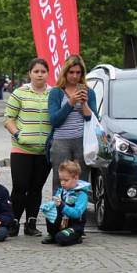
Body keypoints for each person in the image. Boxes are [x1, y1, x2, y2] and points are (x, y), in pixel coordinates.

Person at [4, 58, 52, 237]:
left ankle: (31, 223)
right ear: (30, 74)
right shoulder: (19, 93)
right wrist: (18, 134)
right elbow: (8, 118)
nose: (40, 74)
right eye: (36, 71)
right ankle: (13, 221)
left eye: (43, 71)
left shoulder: (54, 94)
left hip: (44, 151)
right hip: (21, 149)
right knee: (20, 186)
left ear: (48, 74)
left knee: (36, 188)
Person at [47, 54, 97, 191]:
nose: (75, 76)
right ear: (65, 72)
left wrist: (84, 104)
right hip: (61, 141)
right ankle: (58, 211)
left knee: (81, 181)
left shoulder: (89, 92)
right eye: (71, 72)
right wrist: (71, 102)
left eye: (78, 72)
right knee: (60, 181)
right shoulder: (56, 92)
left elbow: (92, 120)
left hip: (82, 140)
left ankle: (80, 212)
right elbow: (54, 121)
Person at [40, 160, 90, 246]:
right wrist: (49, 206)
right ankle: (52, 234)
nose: (62, 183)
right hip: (62, 224)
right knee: (50, 211)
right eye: (61, 180)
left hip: (74, 226)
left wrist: (62, 206)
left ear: (76, 178)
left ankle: (77, 236)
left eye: (66, 180)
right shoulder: (61, 191)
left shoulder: (81, 195)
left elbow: (77, 213)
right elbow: (55, 208)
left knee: (61, 238)